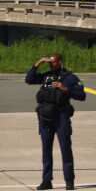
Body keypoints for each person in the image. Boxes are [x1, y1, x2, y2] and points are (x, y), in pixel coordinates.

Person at [25, 53, 86, 190]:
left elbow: (82, 95)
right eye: (49, 62)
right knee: (46, 150)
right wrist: (38, 63)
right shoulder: (46, 76)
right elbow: (29, 79)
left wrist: (65, 88)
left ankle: (69, 182)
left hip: (61, 117)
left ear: (60, 62)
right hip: (45, 118)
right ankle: (47, 181)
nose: (51, 65)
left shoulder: (69, 77)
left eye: (54, 62)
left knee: (65, 149)